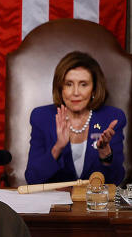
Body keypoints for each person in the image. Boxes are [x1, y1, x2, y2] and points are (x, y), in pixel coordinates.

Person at [24, 51, 126, 187]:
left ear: (94, 89)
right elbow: (32, 178)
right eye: (69, 84)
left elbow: (116, 180)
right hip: (54, 204)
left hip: (95, 202)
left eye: (83, 84)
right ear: (60, 88)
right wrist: (58, 147)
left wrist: (105, 154)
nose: (76, 92)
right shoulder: (41, 117)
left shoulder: (111, 118)